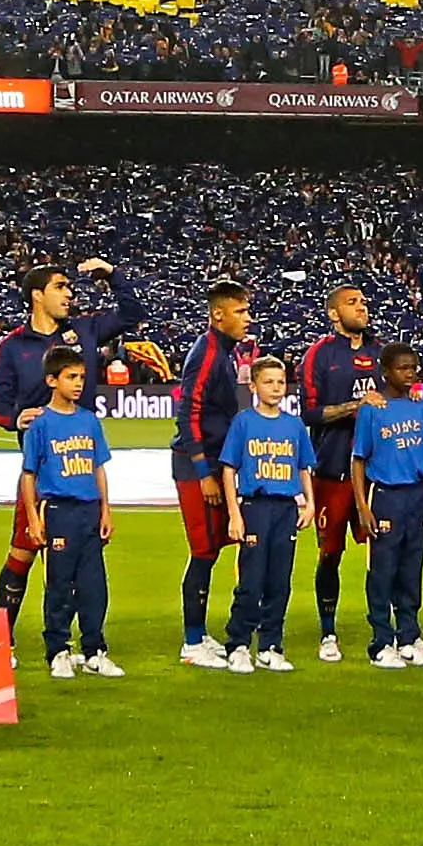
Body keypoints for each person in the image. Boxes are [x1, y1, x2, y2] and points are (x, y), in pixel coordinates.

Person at [171, 279, 260, 667]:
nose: (247, 318)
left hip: (212, 463)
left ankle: (203, 634)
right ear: (218, 314)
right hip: (197, 467)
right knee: (204, 552)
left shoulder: (220, 352)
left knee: (216, 549)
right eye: (240, 311)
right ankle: (192, 642)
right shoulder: (207, 354)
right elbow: (187, 414)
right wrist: (204, 472)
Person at [0, 267, 76, 621]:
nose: (69, 294)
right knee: (22, 553)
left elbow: (130, 314)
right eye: (60, 287)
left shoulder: (77, 335)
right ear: (37, 295)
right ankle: (1, 639)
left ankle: (68, 644)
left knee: (75, 562)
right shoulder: (12, 347)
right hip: (38, 473)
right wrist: (13, 418)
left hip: (78, 470)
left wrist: (110, 273)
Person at [295, 287, 383, 657]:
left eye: (363, 302)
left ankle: (386, 628)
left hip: (378, 474)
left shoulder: (380, 353)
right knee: (330, 553)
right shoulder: (320, 354)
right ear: (333, 314)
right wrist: (354, 407)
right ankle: (328, 633)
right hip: (331, 471)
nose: (362, 307)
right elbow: (310, 413)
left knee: (383, 552)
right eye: (352, 302)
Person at [17, 351, 117, 675]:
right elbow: (28, 474)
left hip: (89, 510)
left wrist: (106, 510)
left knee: (93, 587)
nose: (78, 384)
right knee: (59, 585)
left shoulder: (89, 420)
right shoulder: (40, 424)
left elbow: (98, 468)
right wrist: (33, 518)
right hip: (58, 510)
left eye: (81, 378)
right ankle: (58, 650)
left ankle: (94, 650)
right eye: (71, 377)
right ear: (51, 380)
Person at [215, 356, 315, 669]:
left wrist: (310, 503)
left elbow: (303, 467)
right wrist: (234, 513)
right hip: (255, 508)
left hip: (286, 509)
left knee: (279, 582)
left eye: (281, 382)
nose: (275, 388)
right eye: (268, 382)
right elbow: (229, 469)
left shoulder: (294, 425)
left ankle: (271, 645)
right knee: (251, 581)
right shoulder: (244, 422)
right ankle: (239, 644)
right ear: (254, 385)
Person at [351, 353, 423, 667]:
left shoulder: (419, 408)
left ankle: (408, 635)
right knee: (383, 570)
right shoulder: (373, 411)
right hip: (386, 495)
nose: (410, 373)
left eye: (413, 368)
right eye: (402, 368)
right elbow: (358, 459)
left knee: (411, 569)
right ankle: (380, 642)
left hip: (416, 496)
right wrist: (362, 505)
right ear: (386, 371)